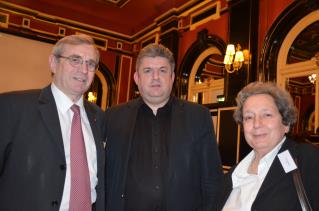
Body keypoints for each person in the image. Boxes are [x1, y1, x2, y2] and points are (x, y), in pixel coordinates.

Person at [105, 43, 223, 211]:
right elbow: (103, 175)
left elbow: (212, 178)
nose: (155, 77)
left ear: (172, 77)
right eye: (147, 71)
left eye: (162, 70)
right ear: (136, 78)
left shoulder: (198, 116)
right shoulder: (113, 117)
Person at [0, 34, 106, 211]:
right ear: (53, 63)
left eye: (90, 64)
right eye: (75, 60)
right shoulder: (12, 107)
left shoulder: (100, 117)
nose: (84, 69)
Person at [221, 82, 319, 211]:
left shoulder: (307, 160)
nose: (256, 124)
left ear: (286, 123)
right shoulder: (234, 174)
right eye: (249, 117)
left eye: (266, 115)